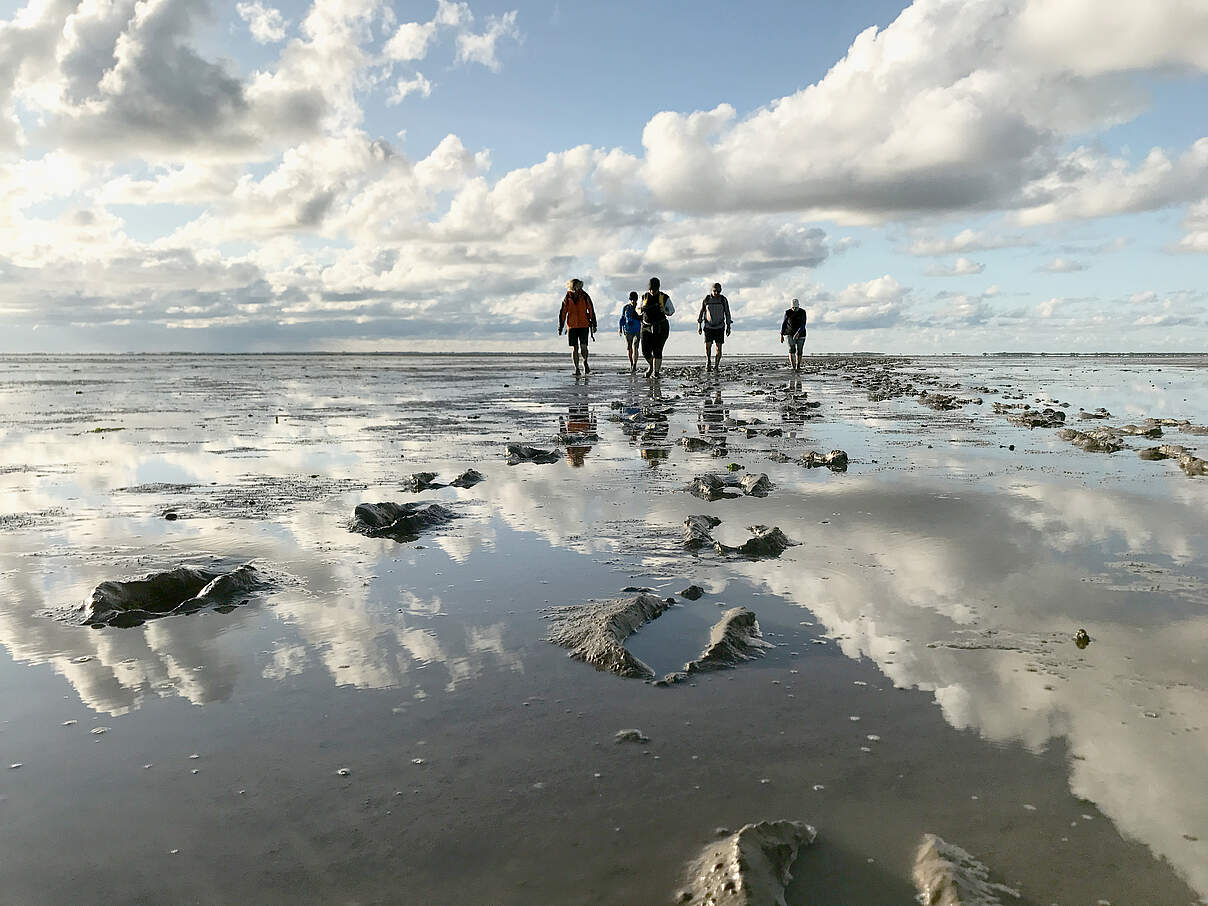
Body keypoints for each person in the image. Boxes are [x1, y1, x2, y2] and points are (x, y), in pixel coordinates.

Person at [636, 276, 673, 378]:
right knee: (645, 351)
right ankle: (651, 366)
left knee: (657, 350)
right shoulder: (644, 297)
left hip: (661, 326)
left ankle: (656, 373)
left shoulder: (664, 297)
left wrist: (664, 310)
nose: (652, 291)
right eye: (651, 289)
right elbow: (638, 310)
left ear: (658, 288)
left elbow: (671, 311)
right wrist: (641, 309)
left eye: (654, 289)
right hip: (646, 326)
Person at [558, 278, 597, 375]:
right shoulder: (567, 297)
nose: (575, 288)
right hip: (571, 326)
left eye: (577, 286)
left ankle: (585, 361)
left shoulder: (585, 296)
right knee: (574, 348)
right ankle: (576, 368)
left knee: (584, 347)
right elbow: (563, 312)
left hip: (584, 325)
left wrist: (594, 324)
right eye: (573, 287)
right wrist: (561, 326)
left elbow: (591, 309)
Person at [697, 282, 732, 372]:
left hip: (720, 327)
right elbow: (701, 313)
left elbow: (727, 313)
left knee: (718, 347)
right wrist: (699, 326)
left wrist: (728, 327)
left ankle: (716, 366)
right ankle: (708, 361)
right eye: (715, 291)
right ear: (711, 290)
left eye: (718, 291)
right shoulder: (707, 299)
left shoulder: (723, 300)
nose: (716, 293)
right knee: (708, 346)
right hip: (708, 326)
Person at [780, 298, 807, 371]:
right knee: (791, 349)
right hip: (789, 333)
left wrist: (798, 333)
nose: (794, 309)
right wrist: (781, 335)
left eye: (796, 308)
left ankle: (798, 366)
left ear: (798, 306)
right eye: (793, 308)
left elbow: (803, 324)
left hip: (801, 334)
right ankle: (793, 367)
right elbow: (784, 323)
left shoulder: (802, 312)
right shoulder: (787, 312)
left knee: (799, 350)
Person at [618, 291, 642, 372]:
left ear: (637, 300)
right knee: (629, 348)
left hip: (637, 330)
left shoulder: (639, 309)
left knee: (635, 347)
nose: (633, 301)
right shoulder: (626, 308)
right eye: (632, 300)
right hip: (627, 331)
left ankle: (634, 365)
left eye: (635, 300)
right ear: (630, 300)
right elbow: (622, 318)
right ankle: (631, 363)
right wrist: (620, 328)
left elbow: (643, 318)